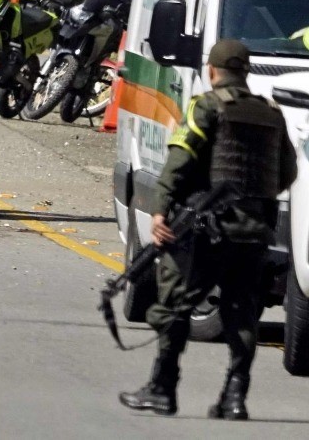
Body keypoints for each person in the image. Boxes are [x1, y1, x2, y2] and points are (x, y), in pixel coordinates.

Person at [119, 40, 297, 420]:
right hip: (253, 232)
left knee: (175, 305)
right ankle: (235, 397)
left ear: (213, 72)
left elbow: (179, 161)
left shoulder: (207, 106)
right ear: (245, 72)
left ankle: (162, 389)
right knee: (241, 311)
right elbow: (287, 173)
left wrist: (160, 210)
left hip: (205, 231)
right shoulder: (271, 113)